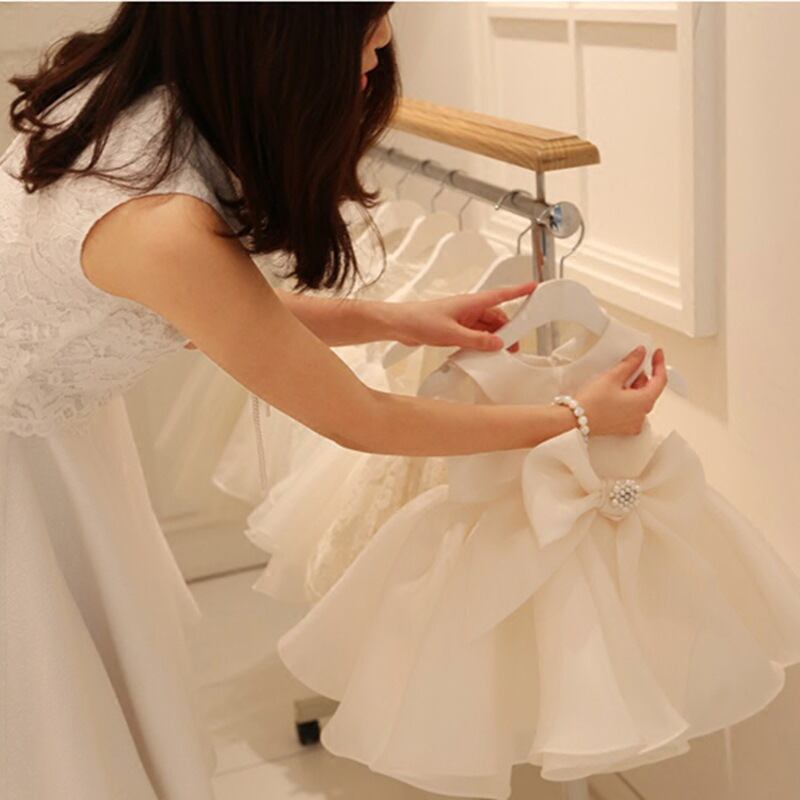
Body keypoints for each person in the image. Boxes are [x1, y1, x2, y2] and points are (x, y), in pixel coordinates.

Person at [0, 4, 666, 799]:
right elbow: (361, 418)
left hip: (50, 434)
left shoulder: (118, 100)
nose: (377, 55)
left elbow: (184, 311)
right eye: (368, 34)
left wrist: (394, 319)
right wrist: (576, 419)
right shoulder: (158, 221)